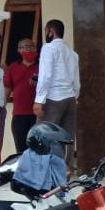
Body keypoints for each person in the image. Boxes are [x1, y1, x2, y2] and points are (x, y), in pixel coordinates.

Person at [34, 19, 80, 165]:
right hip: (70, 98)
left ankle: (45, 169)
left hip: (54, 98)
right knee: (67, 135)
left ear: (51, 32)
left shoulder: (49, 49)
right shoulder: (72, 53)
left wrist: (39, 99)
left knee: (43, 134)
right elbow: (76, 80)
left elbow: (45, 75)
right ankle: (66, 168)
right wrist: (75, 96)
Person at [4, 39, 39, 154]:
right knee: (21, 149)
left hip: (38, 114)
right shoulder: (13, 67)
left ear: (35, 49)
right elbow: (7, 88)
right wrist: (1, 106)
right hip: (19, 115)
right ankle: (25, 171)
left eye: (31, 46)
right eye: (24, 46)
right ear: (19, 50)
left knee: (38, 149)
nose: (28, 49)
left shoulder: (42, 66)